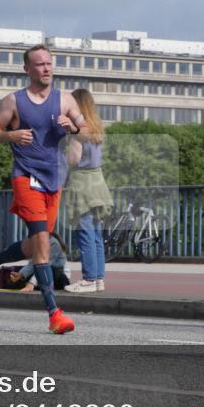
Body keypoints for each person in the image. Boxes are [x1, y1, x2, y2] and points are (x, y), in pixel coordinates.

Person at [0, 44, 87, 335]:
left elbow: (89, 131)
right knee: (42, 241)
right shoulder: (14, 101)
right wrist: (11, 134)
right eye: (39, 64)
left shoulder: (66, 100)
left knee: (38, 242)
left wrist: (72, 129)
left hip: (53, 180)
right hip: (25, 178)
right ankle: (54, 313)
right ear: (27, 69)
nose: (46, 68)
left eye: (49, 63)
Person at [64, 89, 114, 293]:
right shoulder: (96, 127)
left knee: (84, 231)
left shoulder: (78, 129)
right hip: (98, 182)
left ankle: (88, 279)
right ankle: (98, 278)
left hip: (82, 183)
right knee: (95, 234)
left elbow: (74, 159)